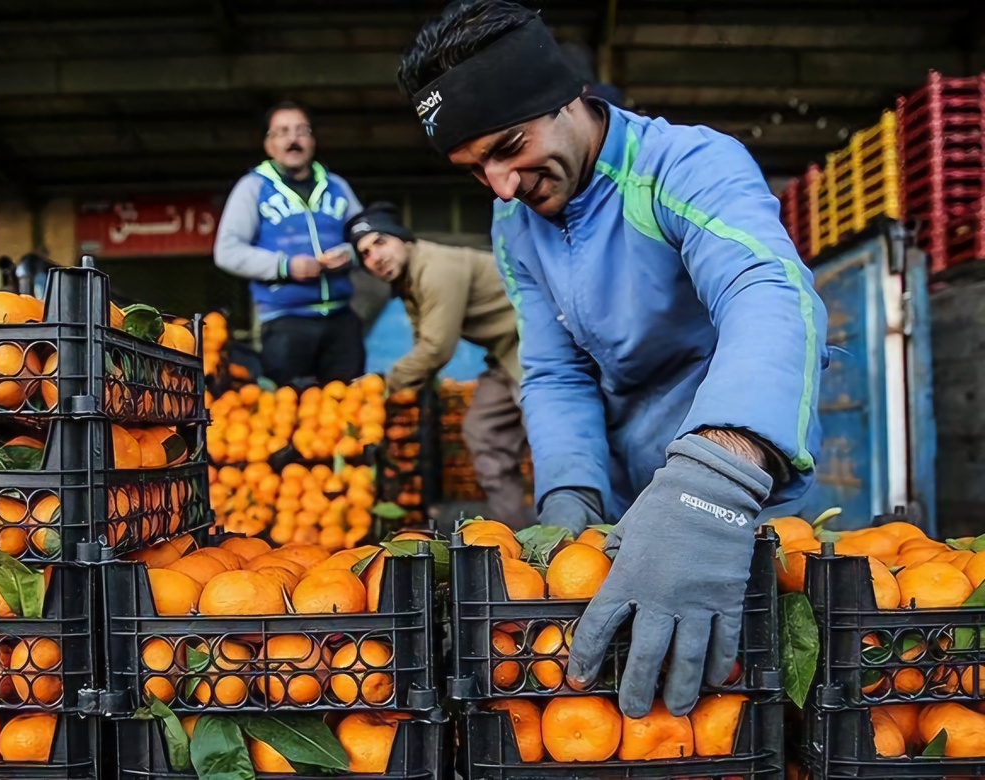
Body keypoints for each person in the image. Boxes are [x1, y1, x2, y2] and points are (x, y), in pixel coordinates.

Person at [399, 2, 828, 719]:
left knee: (739, 698)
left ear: (568, 97)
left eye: (510, 145)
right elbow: (555, 369)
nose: (503, 185)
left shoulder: (685, 165)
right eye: (476, 170)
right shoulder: (516, 223)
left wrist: (714, 479)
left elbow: (768, 292)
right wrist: (571, 497)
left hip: (734, 487)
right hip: (630, 497)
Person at [346, 202, 528, 526]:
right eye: (365, 254)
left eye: (380, 242)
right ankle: (513, 532)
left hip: (534, 347)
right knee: (483, 431)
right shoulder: (409, 282)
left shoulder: (435, 268)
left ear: (402, 239)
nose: (375, 257)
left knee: (551, 434)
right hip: (504, 355)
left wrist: (383, 383)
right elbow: (424, 343)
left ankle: (580, 531)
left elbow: (436, 348)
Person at [214, 101, 366, 387]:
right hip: (284, 323)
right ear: (269, 144)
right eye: (282, 132)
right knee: (289, 415)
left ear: (312, 141)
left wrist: (350, 254)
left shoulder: (337, 186)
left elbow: (365, 237)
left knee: (353, 410)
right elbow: (227, 251)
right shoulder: (253, 187)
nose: (293, 139)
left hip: (342, 321)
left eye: (301, 131)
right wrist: (285, 266)